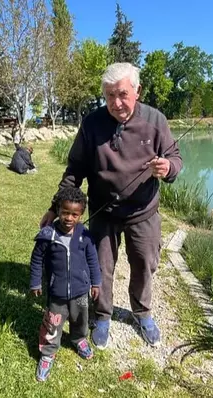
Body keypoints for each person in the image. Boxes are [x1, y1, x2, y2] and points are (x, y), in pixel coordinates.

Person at [39, 62, 183, 350]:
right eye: (108, 96)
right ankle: (102, 315)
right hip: (103, 211)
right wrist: (56, 208)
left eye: (122, 95)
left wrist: (168, 168)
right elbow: (75, 169)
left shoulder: (156, 120)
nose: (115, 103)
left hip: (144, 212)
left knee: (145, 264)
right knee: (101, 267)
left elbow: (175, 158)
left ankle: (142, 313)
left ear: (137, 91)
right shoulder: (92, 123)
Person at [30, 187, 101, 382]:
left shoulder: (84, 236)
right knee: (53, 324)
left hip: (80, 292)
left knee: (81, 320)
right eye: (65, 212)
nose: (69, 218)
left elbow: (93, 260)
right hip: (57, 293)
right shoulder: (48, 235)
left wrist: (96, 282)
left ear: (81, 214)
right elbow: (36, 260)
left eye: (74, 214)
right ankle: (47, 353)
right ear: (58, 210)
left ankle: (79, 339)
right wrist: (35, 282)